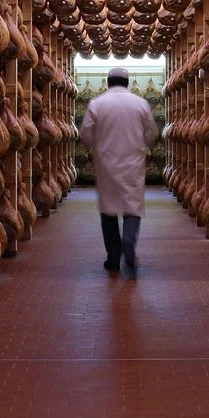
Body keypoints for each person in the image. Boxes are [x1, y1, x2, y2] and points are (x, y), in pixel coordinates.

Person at [79, 67, 159, 272]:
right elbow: (152, 133)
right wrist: (145, 147)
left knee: (108, 209)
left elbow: (85, 134)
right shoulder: (140, 103)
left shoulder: (97, 103)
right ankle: (129, 241)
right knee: (132, 206)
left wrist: (93, 148)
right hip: (133, 162)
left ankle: (113, 257)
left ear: (108, 82)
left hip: (106, 163)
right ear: (127, 82)